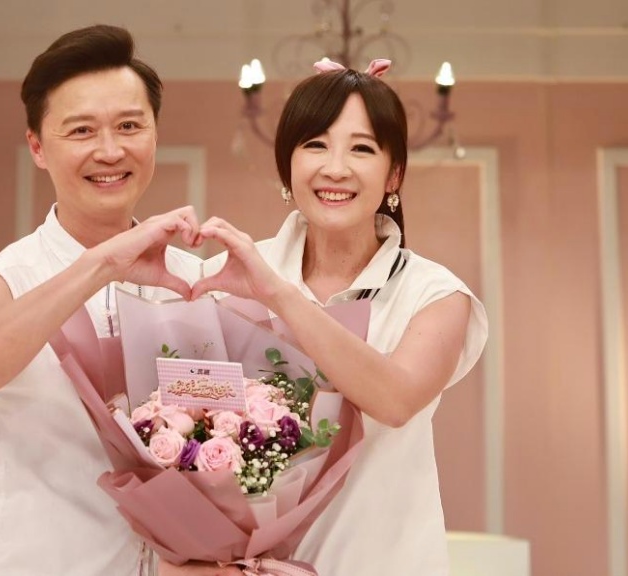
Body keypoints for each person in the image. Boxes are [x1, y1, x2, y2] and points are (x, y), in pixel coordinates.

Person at [0, 24, 224, 576]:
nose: (110, 151)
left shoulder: (195, 281)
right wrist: (100, 265)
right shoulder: (5, 279)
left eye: (129, 126)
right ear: (38, 148)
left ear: (154, 135)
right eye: (82, 130)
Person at [192, 58, 488, 575]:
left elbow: (394, 400)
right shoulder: (226, 276)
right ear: (287, 165)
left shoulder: (435, 294)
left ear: (394, 173)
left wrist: (279, 295)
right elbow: (192, 432)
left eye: (361, 148)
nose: (335, 168)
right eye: (315, 144)